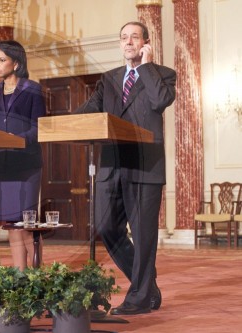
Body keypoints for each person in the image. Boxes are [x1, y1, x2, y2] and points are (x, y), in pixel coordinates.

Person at [76, 22, 176, 315]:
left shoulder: (163, 74)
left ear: (146, 42)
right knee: (106, 227)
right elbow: (88, 111)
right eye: (123, 38)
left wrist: (146, 66)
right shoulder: (108, 79)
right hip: (111, 166)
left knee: (144, 234)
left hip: (145, 166)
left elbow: (160, 101)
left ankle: (140, 296)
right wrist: (61, 122)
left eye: (134, 37)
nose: (128, 42)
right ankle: (146, 283)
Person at [0, 40, 46, 270]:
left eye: (2, 60)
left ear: (17, 63)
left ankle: (37, 276)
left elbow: (38, 126)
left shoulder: (32, 89)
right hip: (3, 164)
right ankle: (20, 276)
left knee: (27, 223)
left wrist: (16, 138)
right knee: (11, 223)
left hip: (27, 162)